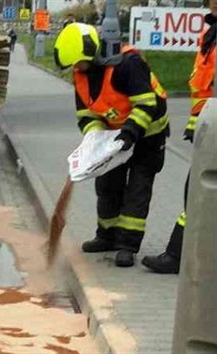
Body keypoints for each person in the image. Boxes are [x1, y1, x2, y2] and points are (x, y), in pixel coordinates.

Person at [54, 23, 170, 267]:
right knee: (107, 184)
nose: (76, 68)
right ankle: (106, 236)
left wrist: (129, 133)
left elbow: (146, 104)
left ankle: (127, 245)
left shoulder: (127, 65)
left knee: (137, 190)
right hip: (112, 138)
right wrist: (95, 142)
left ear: (93, 54)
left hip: (148, 136)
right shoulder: (81, 74)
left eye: (79, 63)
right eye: (73, 65)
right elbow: (85, 114)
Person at [142, 0, 217, 274]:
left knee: (198, 191)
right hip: (210, 125)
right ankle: (179, 256)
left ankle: (177, 256)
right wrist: (196, 123)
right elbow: (204, 88)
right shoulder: (210, 36)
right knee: (198, 190)